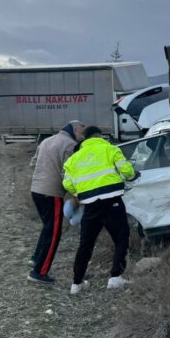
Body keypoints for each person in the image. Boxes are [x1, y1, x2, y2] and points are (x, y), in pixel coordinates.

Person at [63, 126, 138, 294]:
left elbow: (67, 184)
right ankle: (115, 278)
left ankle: (76, 284)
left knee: (86, 244)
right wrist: (133, 175)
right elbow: (126, 170)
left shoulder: (74, 159)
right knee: (121, 238)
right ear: (100, 136)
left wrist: (81, 193)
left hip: (90, 206)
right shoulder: (110, 149)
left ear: (84, 139)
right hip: (112, 202)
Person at [28, 120, 85, 284]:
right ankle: (39, 272)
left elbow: (33, 162)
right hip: (51, 193)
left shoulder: (47, 141)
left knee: (47, 227)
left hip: (36, 189)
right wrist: (76, 194)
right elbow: (68, 173)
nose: (82, 136)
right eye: (81, 132)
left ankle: (36, 259)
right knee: (54, 233)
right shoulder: (70, 145)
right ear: (74, 130)